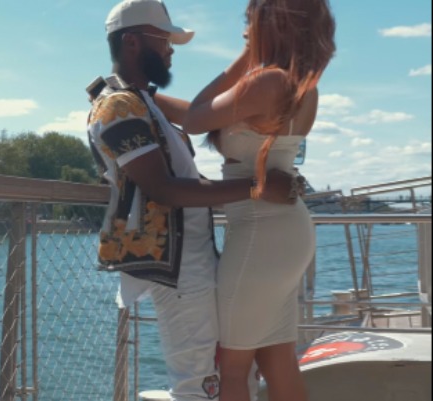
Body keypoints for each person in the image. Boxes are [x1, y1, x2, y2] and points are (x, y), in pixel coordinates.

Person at [87, 1, 304, 399]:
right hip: (178, 271)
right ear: (132, 42)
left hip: (193, 261)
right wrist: (258, 186)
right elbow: (165, 189)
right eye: (164, 39)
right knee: (199, 384)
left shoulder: (141, 103)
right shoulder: (118, 107)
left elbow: (188, 165)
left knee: (219, 375)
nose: (171, 49)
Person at [182, 0, 336, 400]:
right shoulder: (302, 86)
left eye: (250, 21)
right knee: (277, 359)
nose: (244, 31)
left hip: (259, 235)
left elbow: (194, 118)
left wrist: (246, 57)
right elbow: (204, 113)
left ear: (273, 23)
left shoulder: (267, 82)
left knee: (233, 370)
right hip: (284, 231)